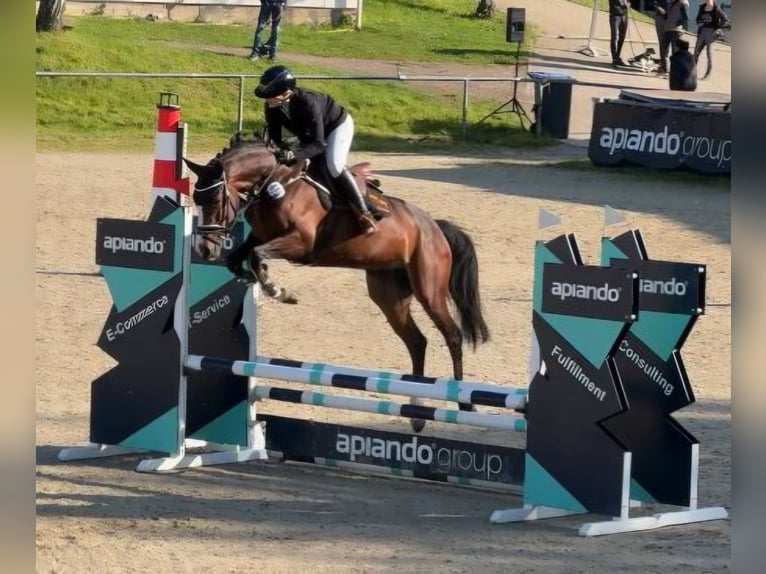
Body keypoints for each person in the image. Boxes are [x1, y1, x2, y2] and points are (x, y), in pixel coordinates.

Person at [253, 65, 378, 234]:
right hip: (309, 134)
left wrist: (293, 153)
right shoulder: (272, 107)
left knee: (334, 165)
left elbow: (319, 145)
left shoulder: (307, 102)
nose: (268, 101)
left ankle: (365, 213)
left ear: (286, 93)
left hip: (336, 127)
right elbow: (276, 140)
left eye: (271, 97)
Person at [694, 0, 729, 80]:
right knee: (696, 53)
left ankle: (707, 75)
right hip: (702, 32)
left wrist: (718, 28)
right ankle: (693, 73)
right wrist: (699, 22)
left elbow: (726, 20)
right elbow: (697, 19)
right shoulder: (702, 7)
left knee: (709, 54)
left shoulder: (716, 8)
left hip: (711, 33)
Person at [660, 0, 689, 74]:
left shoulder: (681, 4)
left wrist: (682, 28)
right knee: (663, 48)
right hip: (668, 29)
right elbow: (666, 16)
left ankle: (674, 70)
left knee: (675, 51)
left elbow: (685, 17)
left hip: (676, 30)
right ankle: (664, 68)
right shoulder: (669, 4)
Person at [608, 0, 630, 68]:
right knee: (615, 36)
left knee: (622, 37)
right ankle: (614, 58)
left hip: (624, 15)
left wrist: (628, 3)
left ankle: (618, 56)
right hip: (615, 14)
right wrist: (623, 3)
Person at [650, 0, 669, 73]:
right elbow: (653, 3)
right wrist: (659, 8)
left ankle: (667, 64)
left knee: (668, 42)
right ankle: (663, 64)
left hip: (670, 19)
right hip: (660, 18)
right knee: (662, 42)